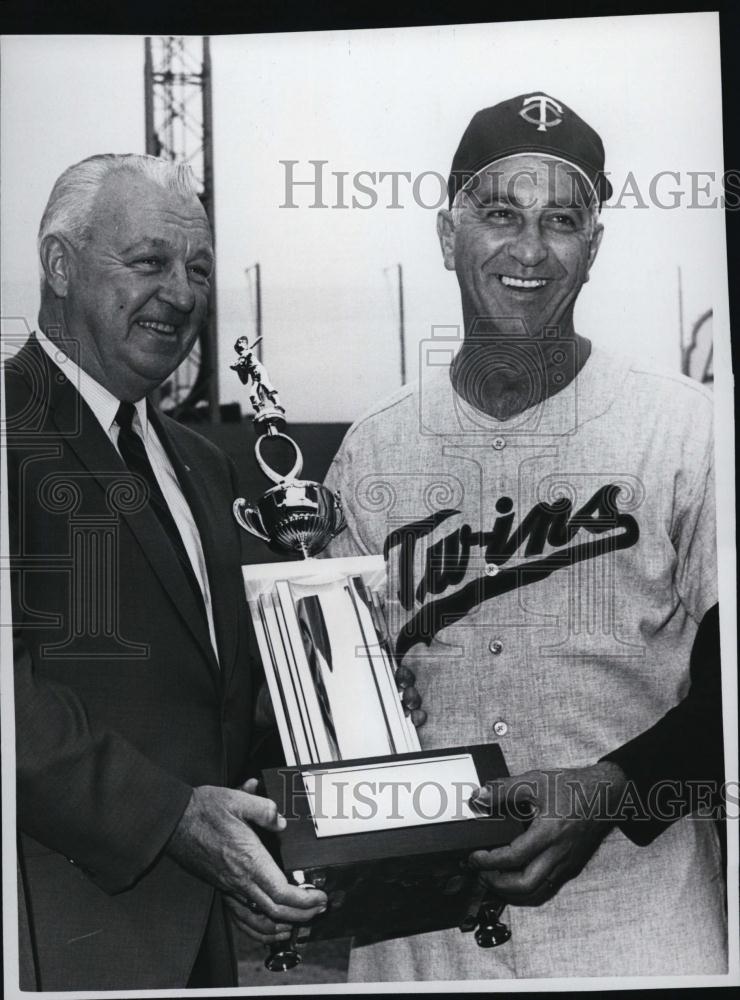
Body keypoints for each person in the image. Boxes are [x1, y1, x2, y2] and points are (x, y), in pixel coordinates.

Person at [323, 93, 727, 979]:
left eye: (562, 221)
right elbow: (324, 700)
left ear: (594, 247)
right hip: (422, 947)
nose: (531, 250)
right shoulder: (374, 450)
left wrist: (615, 787)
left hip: (640, 928)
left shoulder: (685, 429)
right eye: (500, 214)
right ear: (448, 233)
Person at [5, 153, 327, 991]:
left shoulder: (204, 465)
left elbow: (216, 705)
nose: (181, 295)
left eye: (199, 270)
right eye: (149, 262)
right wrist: (172, 819)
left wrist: (333, 714)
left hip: (196, 940)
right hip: (45, 940)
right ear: (60, 265)